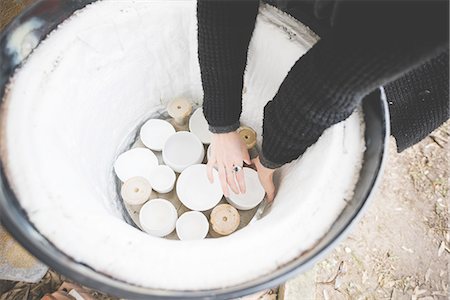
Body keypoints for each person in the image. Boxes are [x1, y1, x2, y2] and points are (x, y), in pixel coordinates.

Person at [197, 0, 449, 201]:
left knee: (374, 86)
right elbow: (223, 7)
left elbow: (334, 79)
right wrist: (222, 122)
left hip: (411, 31)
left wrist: (271, 158)